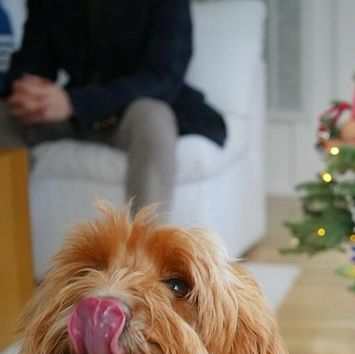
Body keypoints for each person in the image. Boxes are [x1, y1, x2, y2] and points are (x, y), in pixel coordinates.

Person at [0, 0, 226, 218]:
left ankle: (142, 251)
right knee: (6, 116)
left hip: (131, 110)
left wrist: (74, 103)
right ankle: (10, 247)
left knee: (152, 118)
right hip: (77, 115)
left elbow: (164, 77)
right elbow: (35, 61)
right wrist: (26, 90)